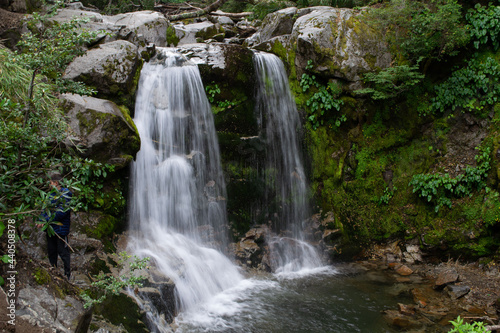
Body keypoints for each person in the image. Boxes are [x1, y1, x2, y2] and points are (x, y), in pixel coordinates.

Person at [37, 173, 73, 280]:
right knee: (51, 250)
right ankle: (53, 271)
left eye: (50, 182)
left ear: (56, 183)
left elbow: (61, 212)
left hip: (61, 229)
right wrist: (40, 219)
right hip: (51, 229)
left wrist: (46, 220)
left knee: (63, 251)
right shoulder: (51, 195)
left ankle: (67, 275)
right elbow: (45, 209)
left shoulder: (66, 194)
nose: (49, 185)